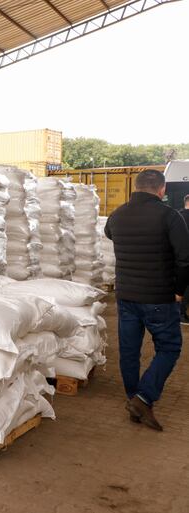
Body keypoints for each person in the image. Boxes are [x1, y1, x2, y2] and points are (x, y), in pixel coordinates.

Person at [105, 169, 189, 431]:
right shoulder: (169, 216)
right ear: (161, 190)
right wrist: (179, 291)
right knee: (170, 347)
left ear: (136, 187)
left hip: (126, 296)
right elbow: (185, 259)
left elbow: (110, 235)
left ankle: (135, 400)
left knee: (129, 352)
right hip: (159, 297)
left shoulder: (117, 215)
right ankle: (143, 398)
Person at [179, 194, 189, 323]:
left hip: (179, 258)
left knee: (183, 286)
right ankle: (181, 314)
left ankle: (181, 313)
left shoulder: (177, 215)